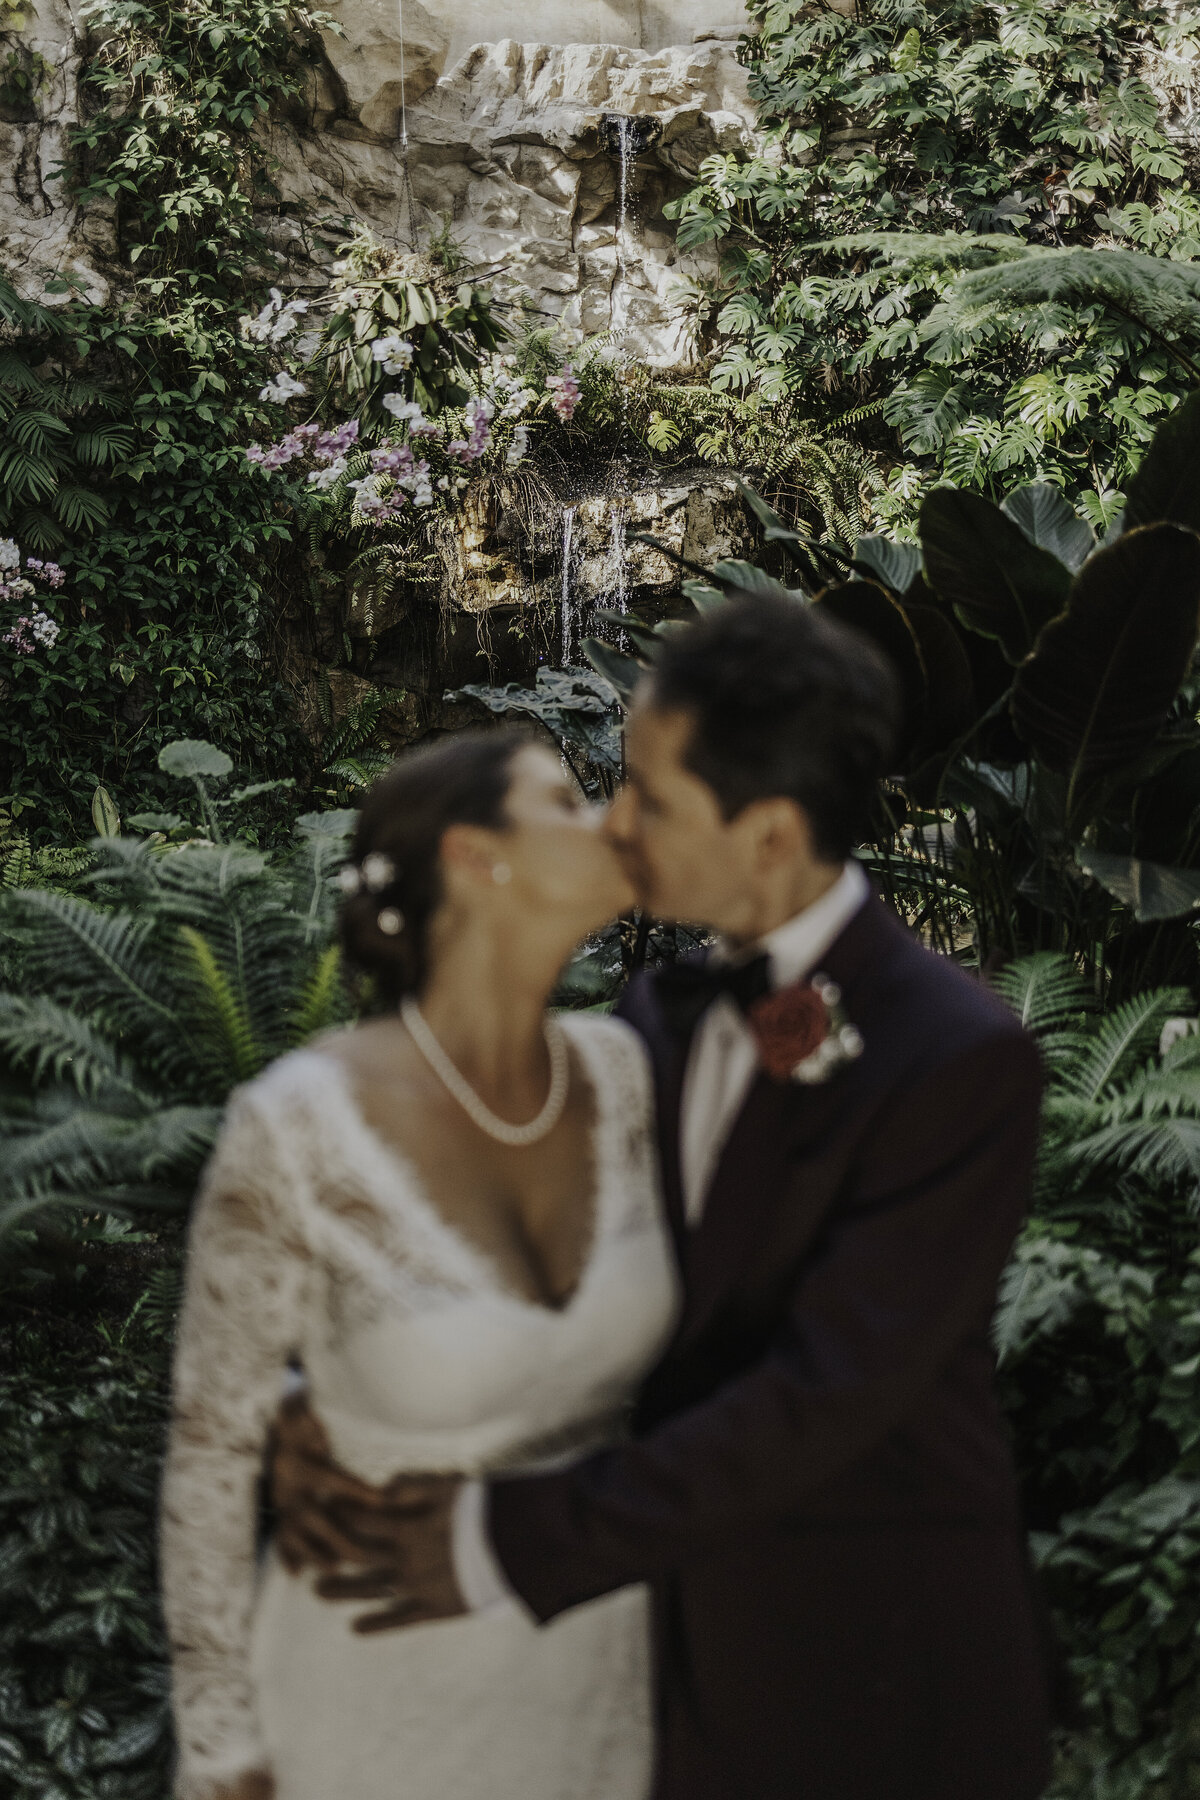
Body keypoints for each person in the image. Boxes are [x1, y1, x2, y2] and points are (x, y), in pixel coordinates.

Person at [270, 593, 1054, 1800]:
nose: (614, 824)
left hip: (869, 1674)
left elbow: (821, 1395)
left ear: (771, 836)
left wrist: (486, 1541)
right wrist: (330, 1412)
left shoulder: (957, 1060)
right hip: (665, 1664)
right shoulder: (663, 1011)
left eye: (652, 797)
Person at [159, 727, 682, 1800]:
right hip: (368, 1711)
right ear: (474, 859)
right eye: (567, 801)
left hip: (602, 1693)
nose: (612, 820)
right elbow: (211, 1461)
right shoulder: (297, 1127)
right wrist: (224, 1752)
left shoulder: (625, 1077)